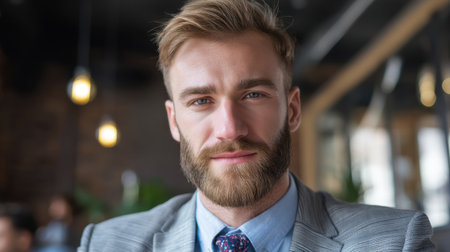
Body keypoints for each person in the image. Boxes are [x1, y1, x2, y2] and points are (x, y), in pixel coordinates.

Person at [78, 0, 434, 251]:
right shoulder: (106, 245)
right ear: (174, 121)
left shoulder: (394, 242)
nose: (230, 129)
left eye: (253, 95)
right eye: (201, 101)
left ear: (293, 109)